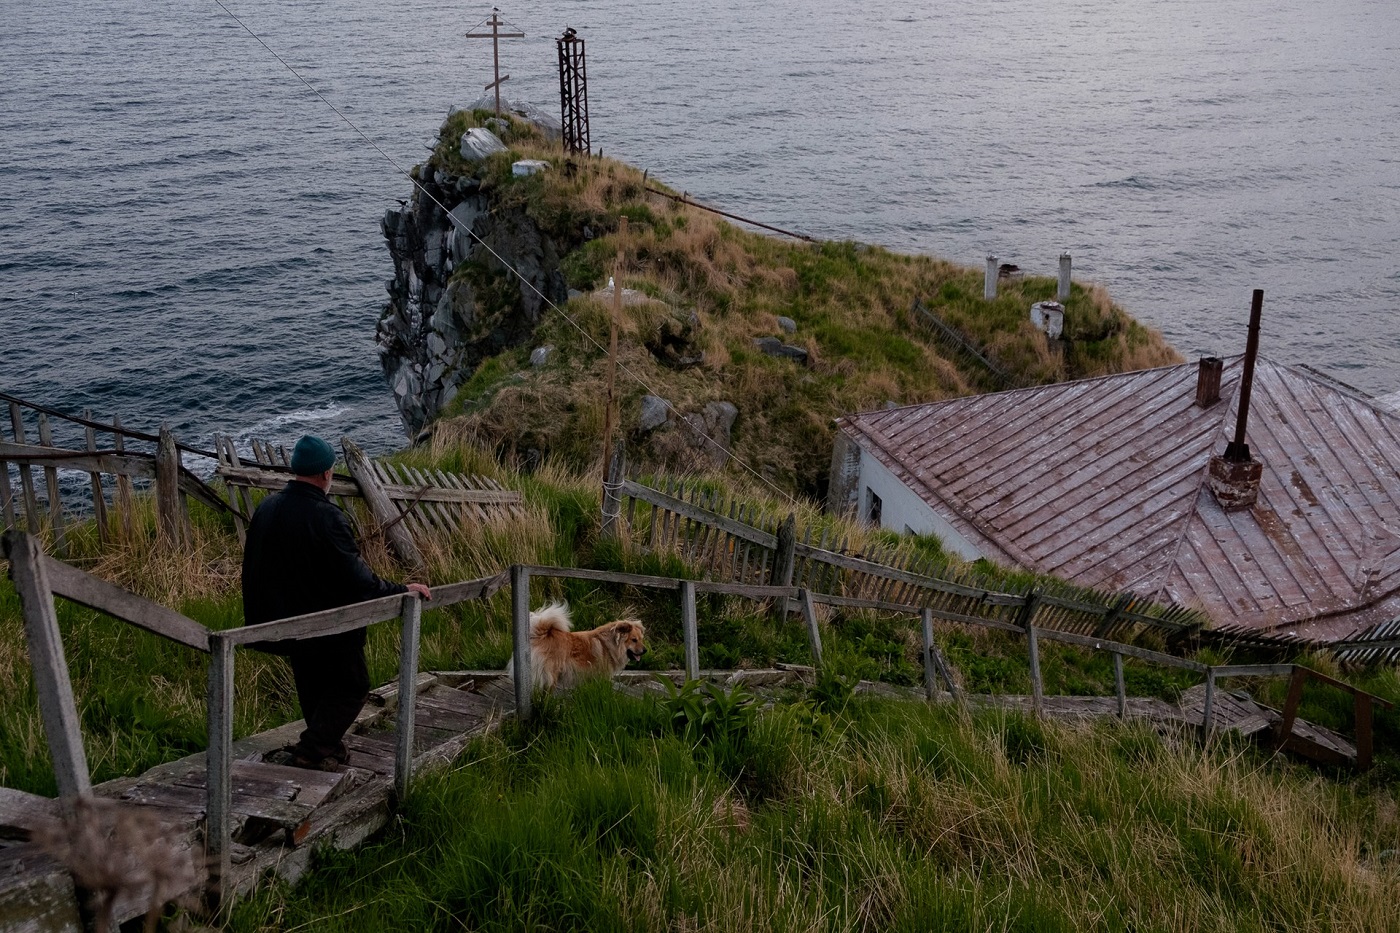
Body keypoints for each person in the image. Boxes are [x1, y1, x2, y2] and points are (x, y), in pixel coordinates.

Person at [241, 434, 430, 771]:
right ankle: (311, 751)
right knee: (351, 686)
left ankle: (329, 748)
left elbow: (255, 568)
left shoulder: (266, 509)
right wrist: (402, 589)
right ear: (327, 475)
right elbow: (358, 580)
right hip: (328, 625)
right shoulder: (326, 516)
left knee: (314, 688)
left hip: (283, 623)